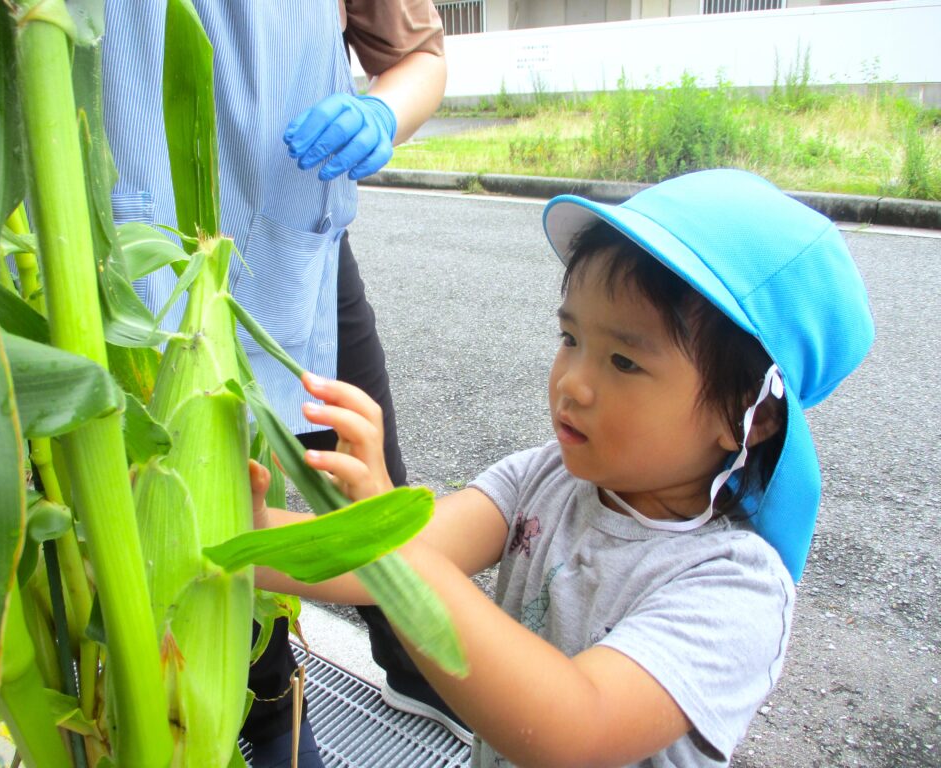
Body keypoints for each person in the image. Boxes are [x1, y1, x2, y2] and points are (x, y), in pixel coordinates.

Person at [247, 169, 875, 767]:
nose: (571, 384)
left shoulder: (735, 590)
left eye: (624, 362)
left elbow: (575, 726)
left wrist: (388, 550)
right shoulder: (544, 479)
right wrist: (244, 536)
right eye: (571, 338)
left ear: (750, 415)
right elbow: (385, 558)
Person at [101, 2, 453, 766]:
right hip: (135, 250)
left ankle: (416, 657)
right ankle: (265, 706)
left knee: (357, 465)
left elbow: (422, 58)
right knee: (183, 498)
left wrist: (379, 111)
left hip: (302, 231)